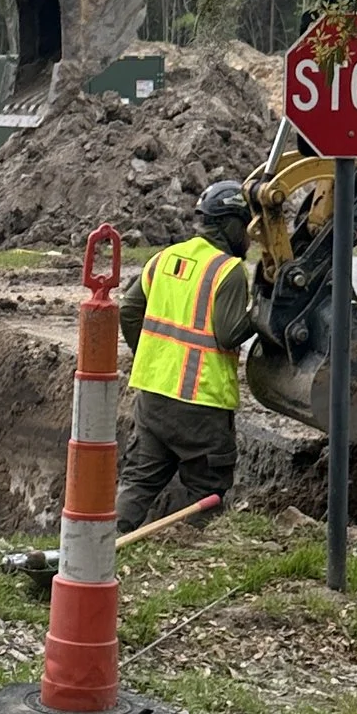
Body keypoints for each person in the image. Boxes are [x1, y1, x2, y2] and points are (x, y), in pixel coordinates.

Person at [118, 180, 256, 529]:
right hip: (201, 405)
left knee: (139, 481)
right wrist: (261, 316)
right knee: (206, 490)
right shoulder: (228, 271)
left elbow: (129, 310)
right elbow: (227, 335)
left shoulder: (165, 258)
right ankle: (195, 552)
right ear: (230, 225)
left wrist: (148, 356)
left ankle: (102, 549)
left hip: (153, 398)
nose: (250, 237)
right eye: (246, 225)